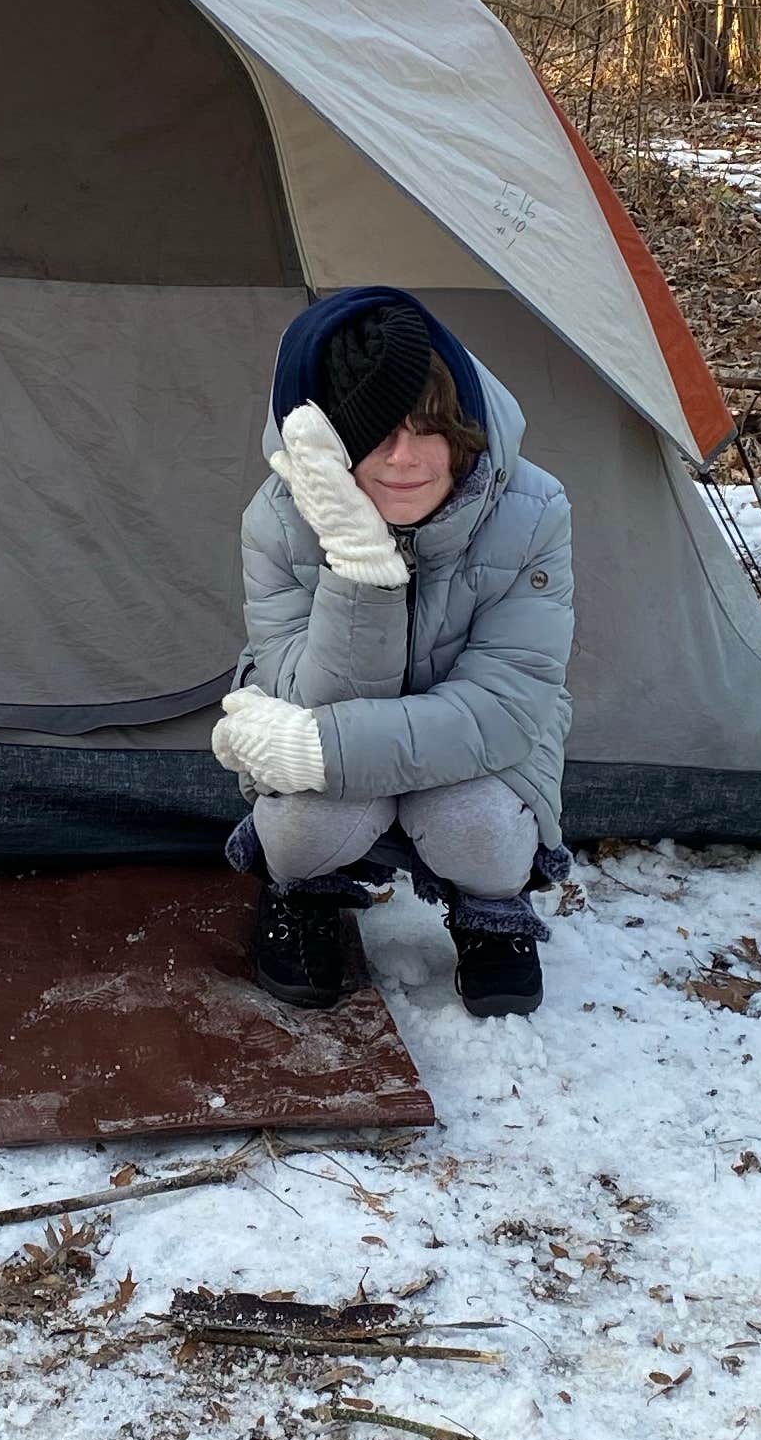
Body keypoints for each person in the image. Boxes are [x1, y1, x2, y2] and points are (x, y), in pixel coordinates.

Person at [213, 287, 574, 1019]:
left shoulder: (532, 511)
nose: (406, 459)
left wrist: (318, 754)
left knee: (478, 828)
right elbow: (313, 697)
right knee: (303, 828)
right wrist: (355, 559)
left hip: (478, 754)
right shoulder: (278, 523)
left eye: (430, 429)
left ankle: (489, 908)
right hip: (349, 731)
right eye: (375, 433)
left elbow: (500, 712)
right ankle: (305, 891)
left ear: (465, 430)